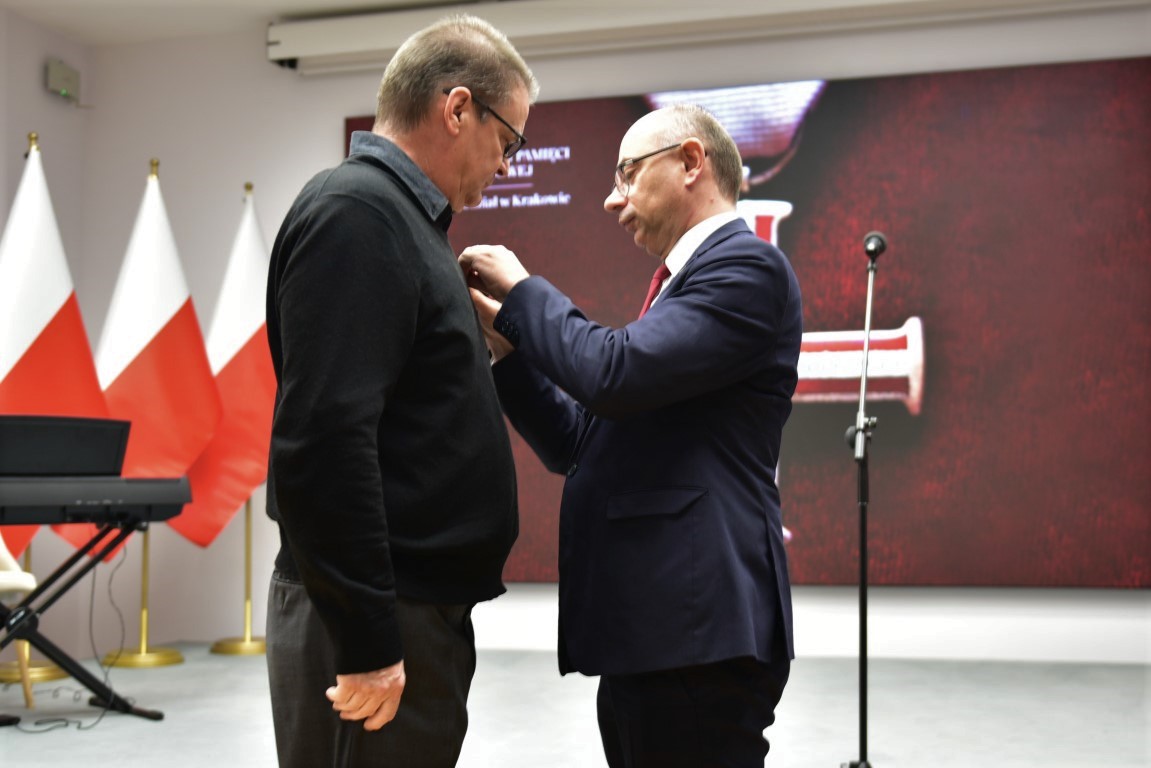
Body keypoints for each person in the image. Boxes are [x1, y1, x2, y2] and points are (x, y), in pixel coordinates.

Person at [459, 104, 802, 767]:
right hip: (658, 632)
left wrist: (523, 293)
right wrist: (508, 352)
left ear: (691, 162)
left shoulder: (745, 268)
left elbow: (610, 373)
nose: (612, 199)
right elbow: (577, 442)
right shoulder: (685, 288)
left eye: (626, 173)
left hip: (697, 631)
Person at [264, 14, 537, 767]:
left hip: (409, 609)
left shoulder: (400, 220)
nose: (507, 163)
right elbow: (324, 439)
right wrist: (367, 640)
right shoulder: (360, 214)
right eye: (509, 140)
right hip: (378, 616)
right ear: (458, 109)